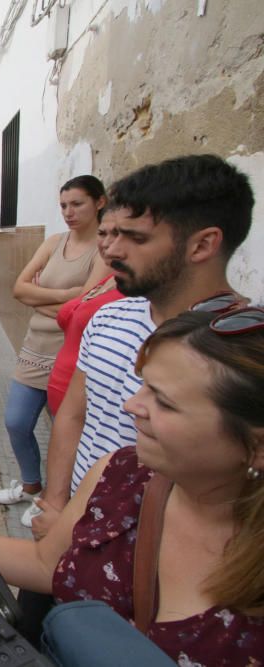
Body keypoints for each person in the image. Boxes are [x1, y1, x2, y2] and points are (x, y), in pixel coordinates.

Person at [0, 310, 264, 664]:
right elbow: (46, 564)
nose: (131, 405)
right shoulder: (122, 473)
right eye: (144, 385)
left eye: (163, 401)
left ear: (255, 448)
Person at [33, 154, 255, 538]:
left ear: (202, 244)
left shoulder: (242, 350)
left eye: (135, 237)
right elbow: (72, 415)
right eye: (111, 233)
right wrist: (56, 505)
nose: (112, 251)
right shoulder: (107, 318)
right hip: (72, 527)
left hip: (158, 555)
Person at [0, 177, 108, 524]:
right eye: (63, 206)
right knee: (15, 422)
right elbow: (18, 288)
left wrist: (40, 296)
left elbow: (86, 305)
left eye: (77, 204)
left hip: (70, 355)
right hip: (34, 348)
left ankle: (54, 500)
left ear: (100, 203)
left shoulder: (104, 249)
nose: (69, 213)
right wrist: (65, 296)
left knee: (64, 432)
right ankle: (30, 484)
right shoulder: (54, 242)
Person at [46, 216, 124, 415]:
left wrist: (39, 300)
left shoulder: (133, 296)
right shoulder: (107, 281)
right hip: (66, 396)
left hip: (87, 405)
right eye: (102, 233)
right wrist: (66, 295)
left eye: (118, 234)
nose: (108, 244)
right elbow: (19, 291)